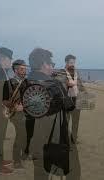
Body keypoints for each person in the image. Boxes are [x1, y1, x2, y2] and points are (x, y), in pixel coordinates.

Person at [27, 48, 81, 180]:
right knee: (73, 170)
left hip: (36, 139)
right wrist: (72, 87)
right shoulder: (54, 84)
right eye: (52, 64)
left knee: (40, 173)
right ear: (44, 64)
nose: (52, 67)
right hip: (57, 138)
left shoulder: (27, 82)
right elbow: (70, 106)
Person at [2, 60, 29, 173]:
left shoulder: (27, 82)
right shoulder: (8, 83)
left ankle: (24, 154)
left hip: (27, 113)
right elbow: (4, 101)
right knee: (20, 135)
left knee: (27, 134)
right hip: (15, 114)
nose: (24, 71)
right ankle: (17, 161)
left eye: (25, 69)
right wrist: (15, 106)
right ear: (15, 70)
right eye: (22, 69)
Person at [63, 54, 85, 143]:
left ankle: (74, 138)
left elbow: (80, 84)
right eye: (71, 62)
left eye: (74, 62)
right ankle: (66, 139)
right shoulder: (61, 72)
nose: (73, 64)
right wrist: (67, 84)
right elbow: (58, 84)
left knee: (76, 121)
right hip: (67, 100)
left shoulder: (76, 72)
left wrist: (84, 91)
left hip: (77, 99)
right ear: (66, 62)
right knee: (66, 121)